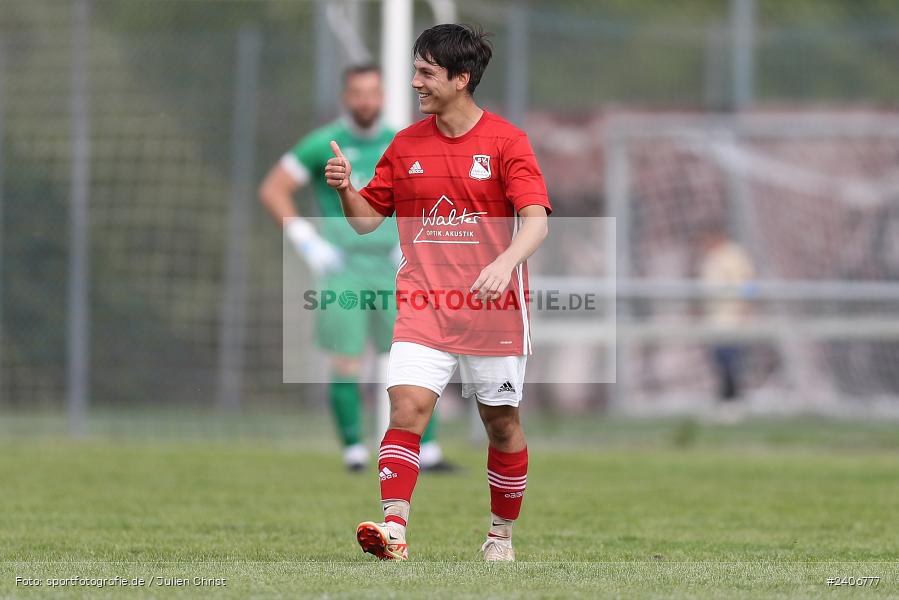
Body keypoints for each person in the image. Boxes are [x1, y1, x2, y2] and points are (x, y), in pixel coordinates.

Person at [324, 24, 551, 561]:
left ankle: (500, 537)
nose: (415, 82)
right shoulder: (405, 145)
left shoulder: (506, 142)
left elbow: (536, 221)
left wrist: (505, 263)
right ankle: (394, 530)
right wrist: (346, 189)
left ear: (461, 78)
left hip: (493, 312)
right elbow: (365, 221)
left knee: (502, 425)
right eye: (416, 70)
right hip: (424, 304)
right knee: (406, 408)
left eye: (426, 72)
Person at [258, 64, 451, 472]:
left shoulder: (401, 141)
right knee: (346, 360)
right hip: (342, 268)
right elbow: (274, 189)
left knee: (413, 359)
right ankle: (354, 452)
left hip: (394, 268)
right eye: (357, 93)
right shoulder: (323, 144)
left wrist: (413, 242)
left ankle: (428, 451)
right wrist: (307, 241)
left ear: (383, 96)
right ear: (346, 97)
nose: (365, 101)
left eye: (372, 92)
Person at [699, 228, 756, 402]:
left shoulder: (734, 256)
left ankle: (733, 397)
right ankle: (726, 396)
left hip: (732, 316)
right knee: (719, 357)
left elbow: (748, 282)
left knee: (730, 357)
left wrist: (746, 306)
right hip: (714, 317)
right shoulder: (710, 258)